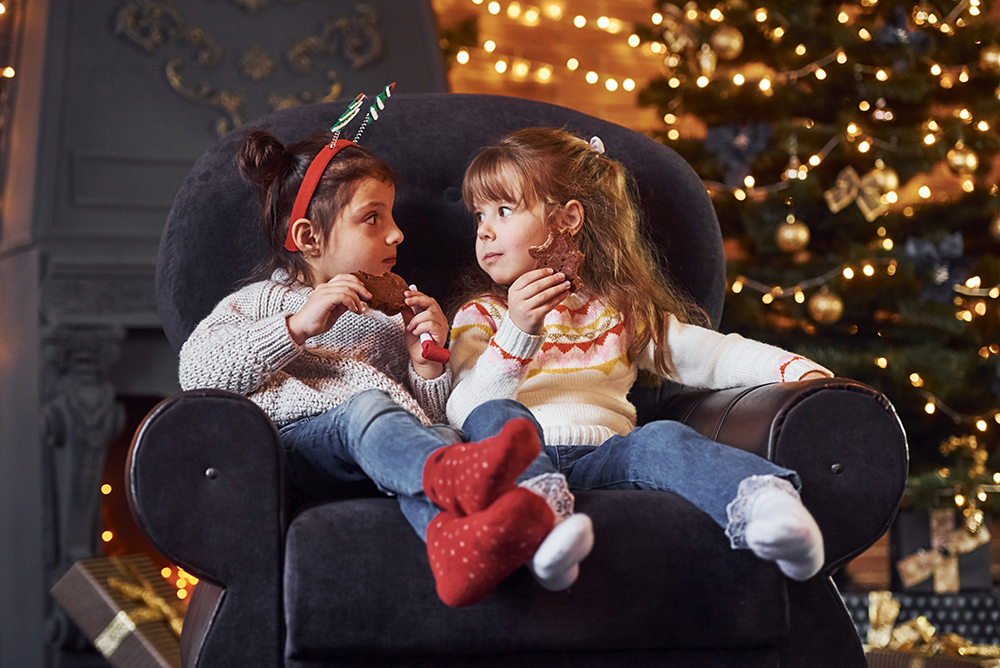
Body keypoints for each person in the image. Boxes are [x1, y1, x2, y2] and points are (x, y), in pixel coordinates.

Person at [177, 117, 576, 608]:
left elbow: (429, 415)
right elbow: (197, 371)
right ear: (309, 237)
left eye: (392, 217)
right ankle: (449, 473)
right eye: (373, 218)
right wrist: (297, 327)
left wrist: (426, 365)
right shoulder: (262, 302)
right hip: (305, 448)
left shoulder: (388, 316)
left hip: (393, 453)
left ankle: (457, 544)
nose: (396, 234)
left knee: (430, 438)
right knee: (368, 408)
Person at [447, 127, 834, 583]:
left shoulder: (615, 311)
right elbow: (463, 412)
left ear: (568, 219)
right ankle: (544, 528)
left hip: (607, 457)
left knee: (662, 438)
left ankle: (769, 509)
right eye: (478, 216)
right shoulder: (481, 316)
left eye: (504, 210)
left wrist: (794, 370)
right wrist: (517, 332)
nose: (485, 230)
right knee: (498, 420)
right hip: (521, 464)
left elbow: (708, 355)